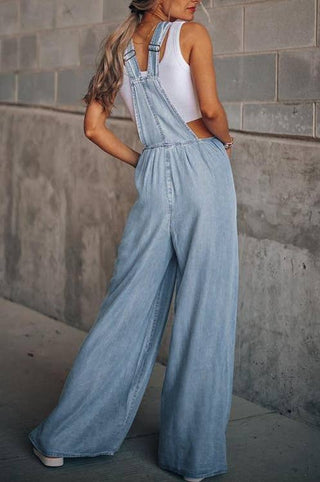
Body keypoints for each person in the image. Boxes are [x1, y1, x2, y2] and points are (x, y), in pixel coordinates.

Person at [28, 1, 239, 481]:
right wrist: (224, 143)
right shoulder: (192, 35)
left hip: (155, 171)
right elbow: (209, 110)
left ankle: (63, 438)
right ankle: (193, 459)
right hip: (203, 168)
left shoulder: (116, 47)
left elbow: (93, 128)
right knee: (206, 309)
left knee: (127, 307)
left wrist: (143, 161)